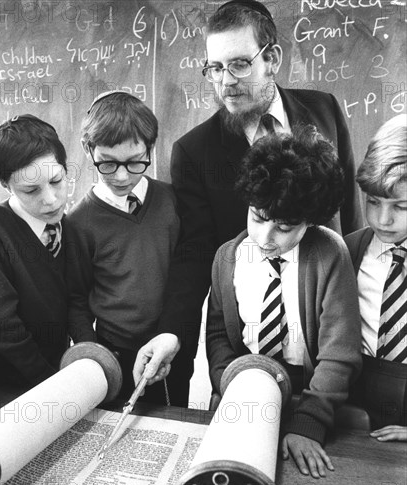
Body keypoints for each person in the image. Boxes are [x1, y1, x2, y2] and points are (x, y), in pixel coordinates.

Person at [133, 0, 363, 399]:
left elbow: (352, 218)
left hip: (330, 341)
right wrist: (172, 331)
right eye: (215, 68)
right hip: (255, 355)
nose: (226, 82)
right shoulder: (194, 151)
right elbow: (195, 253)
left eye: (239, 64)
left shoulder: (324, 109)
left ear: (271, 58)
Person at [207, 125, 362, 477]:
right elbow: (218, 339)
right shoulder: (227, 258)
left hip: (309, 401)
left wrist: (308, 423)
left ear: (310, 221)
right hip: (244, 394)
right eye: (258, 218)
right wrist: (233, 388)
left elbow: (340, 355)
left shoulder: (329, 255)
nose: (265, 237)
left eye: (284, 227)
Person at [67, 91, 182, 404]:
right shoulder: (78, 223)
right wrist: (95, 357)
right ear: (87, 150)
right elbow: (76, 299)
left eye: (134, 163)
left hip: (172, 345)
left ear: (150, 148)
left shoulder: (173, 200)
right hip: (115, 351)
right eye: (107, 164)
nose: (121, 176)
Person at [0, 114, 71, 390]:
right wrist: (52, 384)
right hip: (4, 388)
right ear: (6, 185)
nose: (51, 199)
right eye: (31, 190)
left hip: (55, 375)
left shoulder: (67, 227)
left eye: (56, 180)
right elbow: (1, 324)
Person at [345, 114, 407, 442]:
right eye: (373, 202)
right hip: (354, 408)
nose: (383, 219)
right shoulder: (347, 251)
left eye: (402, 206)